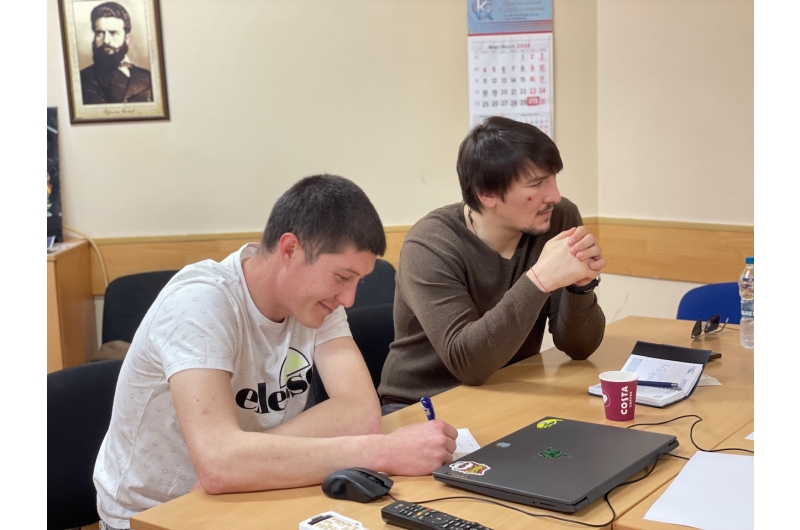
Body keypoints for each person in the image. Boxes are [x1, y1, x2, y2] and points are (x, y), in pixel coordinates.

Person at [93, 175, 458, 530]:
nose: (349, 299)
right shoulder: (200, 303)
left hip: (251, 493)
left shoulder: (316, 302)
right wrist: (382, 452)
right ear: (289, 250)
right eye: (342, 277)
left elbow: (360, 413)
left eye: (357, 282)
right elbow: (219, 463)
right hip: (158, 517)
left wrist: (245, 459)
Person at [378, 117, 607, 413]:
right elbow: (468, 364)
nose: (554, 196)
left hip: (506, 390)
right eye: (537, 184)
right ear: (486, 193)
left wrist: (581, 287)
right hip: (421, 405)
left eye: (553, 178)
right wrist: (540, 280)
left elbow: (579, 348)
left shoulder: (557, 218)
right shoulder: (429, 245)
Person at [80, 2, 152, 105]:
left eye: (113, 33)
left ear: (126, 38)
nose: (106, 40)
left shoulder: (148, 76)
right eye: (100, 33)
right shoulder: (84, 78)